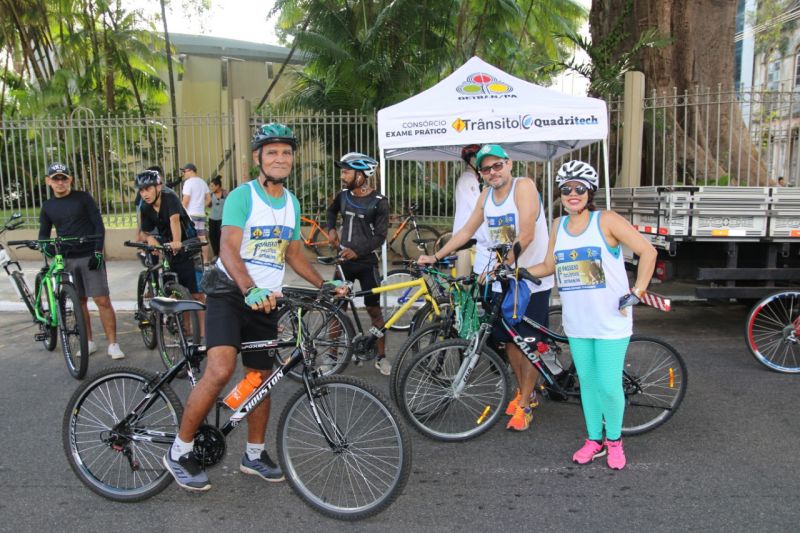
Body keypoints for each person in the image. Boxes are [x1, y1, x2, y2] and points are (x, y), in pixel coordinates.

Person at [163, 122, 345, 492]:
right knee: (220, 369)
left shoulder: (291, 203)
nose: (280, 158)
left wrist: (323, 284)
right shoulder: (242, 197)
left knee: (260, 380)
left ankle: (254, 453)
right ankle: (179, 451)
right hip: (231, 293)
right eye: (273, 152)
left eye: (286, 153)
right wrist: (247, 288)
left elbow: (293, 253)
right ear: (258, 158)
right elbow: (228, 248)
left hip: (266, 300)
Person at [526, 160, 657, 470]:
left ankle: (614, 441)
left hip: (611, 320)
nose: (573, 194)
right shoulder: (558, 225)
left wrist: (637, 291)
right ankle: (593, 439)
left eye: (579, 188)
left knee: (609, 384)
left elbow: (648, 251)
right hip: (578, 322)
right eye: (566, 189)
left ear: (590, 192)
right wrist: (518, 272)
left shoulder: (607, 220)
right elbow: (548, 267)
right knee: (587, 383)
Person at [419, 144, 554, 432]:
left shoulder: (524, 187)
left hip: (531, 279)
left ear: (509, 164)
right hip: (503, 278)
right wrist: (436, 256)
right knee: (508, 340)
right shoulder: (486, 196)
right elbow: (466, 232)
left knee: (527, 342)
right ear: (480, 173)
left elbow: (527, 233)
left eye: (497, 166)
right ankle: (522, 390)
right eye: (486, 169)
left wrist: (502, 265)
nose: (493, 172)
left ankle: (527, 402)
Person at [38, 162, 125, 359]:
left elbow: (98, 225)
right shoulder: (48, 206)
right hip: (67, 259)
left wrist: (98, 252)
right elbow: (43, 234)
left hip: (89, 255)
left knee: (102, 299)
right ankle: (89, 342)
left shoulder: (83, 198)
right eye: (55, 179)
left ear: (70, 180)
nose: (60, 182)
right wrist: (48, 248)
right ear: (48, 181)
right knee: (80, 301)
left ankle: (113, 344)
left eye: (63, 178)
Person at [325, 152, 391, 375]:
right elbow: (331, 211)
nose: (342, 176)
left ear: (362, 174)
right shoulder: (343, 196)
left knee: (374, 311)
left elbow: (380, 236)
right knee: (337, 309)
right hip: (344, 262)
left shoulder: (379, 202)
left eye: (346, 172)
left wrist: (358, 251)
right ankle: (332, 356)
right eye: (342, 171)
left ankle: (381, 357)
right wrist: (331, 229)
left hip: (366, 264)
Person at [136, 169, 205, 337]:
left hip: (187, 245)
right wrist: (150, 239)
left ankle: (202, 333)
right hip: (169, 247)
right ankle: (187, 328)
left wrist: (176, 241)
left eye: (148, 189)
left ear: (158, 187)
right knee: (178, 293)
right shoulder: (145, 206)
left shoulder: (170, 197)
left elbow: (174, 220)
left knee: (195, 294)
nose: (145, 193)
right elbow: (143, 231)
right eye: (141, 190)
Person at [453, 144, 492, 277]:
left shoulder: (471, 180)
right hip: (465, 238)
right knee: (463, 285)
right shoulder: (467, 180)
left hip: (470, 237)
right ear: (471, 160)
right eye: (477, 158)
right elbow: (479, 208)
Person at [180, 163, 211, 264]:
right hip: (201, 214)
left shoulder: (188, 183)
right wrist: (201, 206)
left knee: (191, 239)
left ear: (190, 170)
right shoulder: (203, 182)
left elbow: (185, 201)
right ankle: (206, 260)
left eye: (184, 171)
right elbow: (209, 199)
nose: (183, 174)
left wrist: (180, 211)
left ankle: (193, 261)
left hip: (190, 215)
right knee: (202, 238)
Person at [207, 175, 226, 260]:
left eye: (212, 186)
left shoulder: (225, 193)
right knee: (212, 236)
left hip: (222, 219)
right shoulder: (210, 195)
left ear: (217, 186)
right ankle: (216, 254)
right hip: (212, 219)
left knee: (221, 236)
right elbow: (207, 205)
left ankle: (222, 254)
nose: (211, 188)